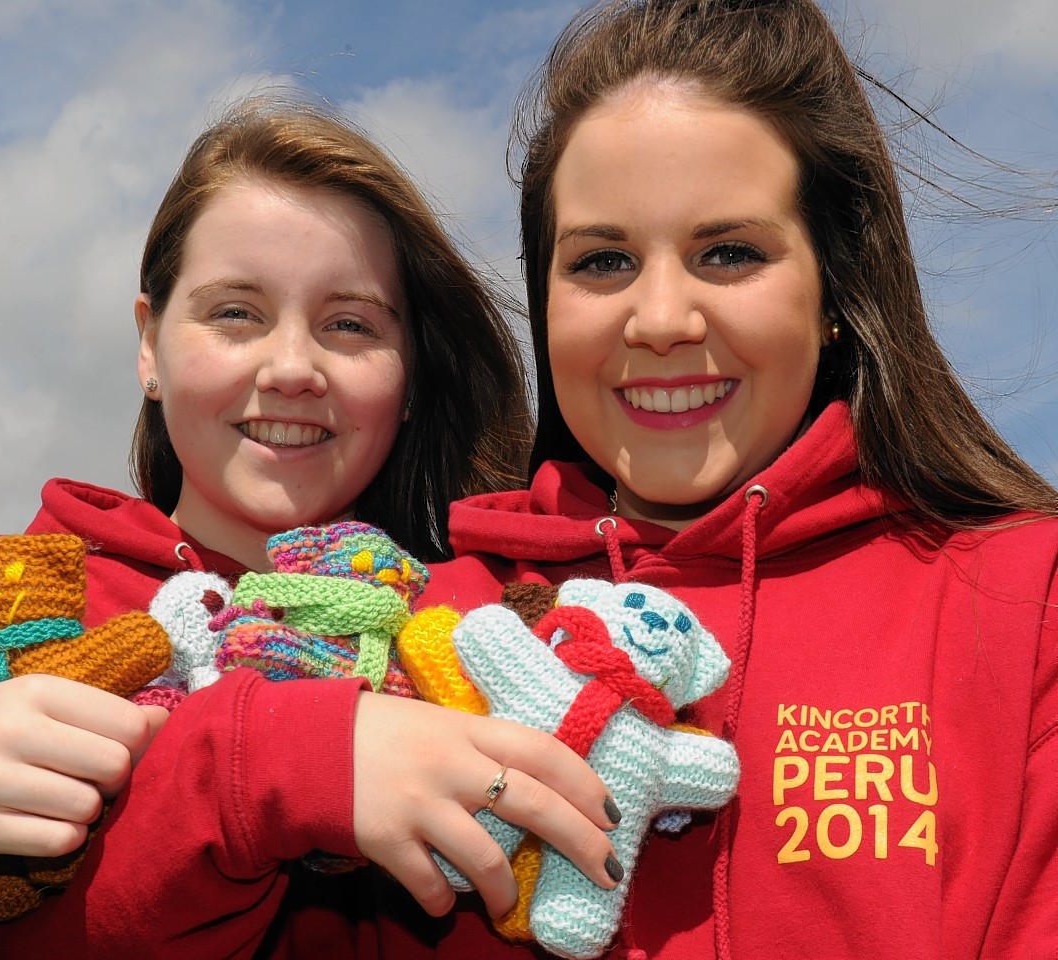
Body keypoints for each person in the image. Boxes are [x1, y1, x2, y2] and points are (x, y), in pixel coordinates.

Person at [261, 0, 1058, 958]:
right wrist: (254, 770)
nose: (662, 317)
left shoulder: (1023, 601)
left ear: (836, 290)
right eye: (603, 260)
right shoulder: (420, 634)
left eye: (730, 252)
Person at [0, 94, 625, 958]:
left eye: (349, 324)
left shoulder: (503, 628)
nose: (293, 368)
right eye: (236, 312)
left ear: (410, 375)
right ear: (148, 344)